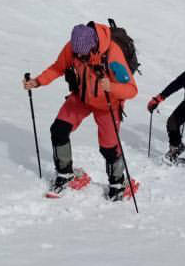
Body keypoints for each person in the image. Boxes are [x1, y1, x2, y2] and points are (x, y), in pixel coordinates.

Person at [24, 22, 137, 200]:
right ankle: (65, 173)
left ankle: (118, 183)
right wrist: (37, 82)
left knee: (109, 148)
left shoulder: (112, 54)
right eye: (76, 53)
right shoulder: (73, 47)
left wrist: (112, 87)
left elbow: (132, 90)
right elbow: (57, 67)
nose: (77, 56)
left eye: (82, 54)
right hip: (82, 97)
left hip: (108, 105)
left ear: (93, 46)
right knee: (59, 130)